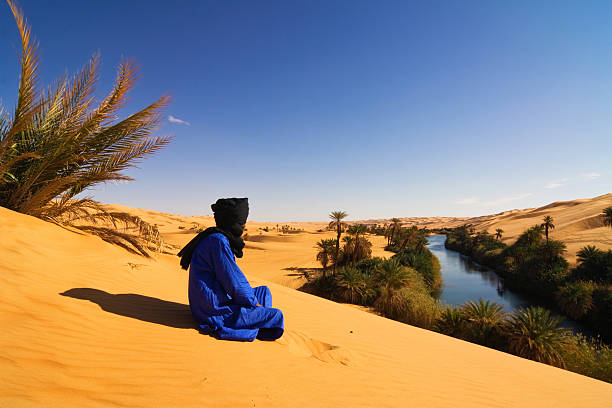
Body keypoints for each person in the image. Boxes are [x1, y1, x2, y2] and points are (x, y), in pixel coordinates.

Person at [178, 198, 284, 341]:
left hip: (212, 302)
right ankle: (246, 328)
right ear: (233, 223)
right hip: (214, 310)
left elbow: (233, 281)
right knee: (276, 316)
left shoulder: (216, 237)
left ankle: (252, 321)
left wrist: (252, 301)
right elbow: (234, 283)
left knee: (264, 291)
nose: (244, 226)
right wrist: (253, 303)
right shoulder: (218, 241)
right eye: (242, 223)